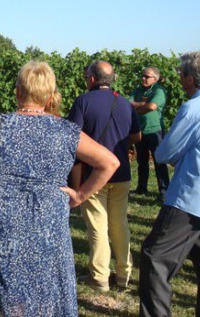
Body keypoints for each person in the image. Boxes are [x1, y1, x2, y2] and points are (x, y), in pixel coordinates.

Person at [0, 61, 119, 316]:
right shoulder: (67, 131)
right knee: (48, 289)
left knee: (1, 286)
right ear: (49, 96)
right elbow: (109, 162)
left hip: (4, 218)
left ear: (18, 91)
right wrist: (80, 195)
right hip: (50, 222)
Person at [139, 51, 200, 316]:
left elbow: (165, 153)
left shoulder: (194, 108)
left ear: (192, 78)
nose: (180, 80)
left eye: (182, 75)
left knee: (155, 257)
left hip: (191, 197)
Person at [68, 60, 141, 292]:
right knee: (120, 224)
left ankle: (99, 277)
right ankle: (123, 275)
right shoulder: (125, 104)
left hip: (93, 174)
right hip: (121, 173)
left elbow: (72, 139)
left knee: (97, 226)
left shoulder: (83, 102)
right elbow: (137, 136)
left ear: (91, 79)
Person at [128, 66, 169, 199]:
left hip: (155, 130)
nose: (143, 78)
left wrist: (137, 107)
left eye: (147, 76)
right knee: (142, 161)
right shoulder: (139, 90)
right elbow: (127, 103)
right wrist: (142, 104)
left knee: (159, 162)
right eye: (143, 76)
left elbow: (151, 107)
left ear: (155, 79)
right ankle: (141, 188)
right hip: (140, 130)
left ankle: (164, 191)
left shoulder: (158, 91)